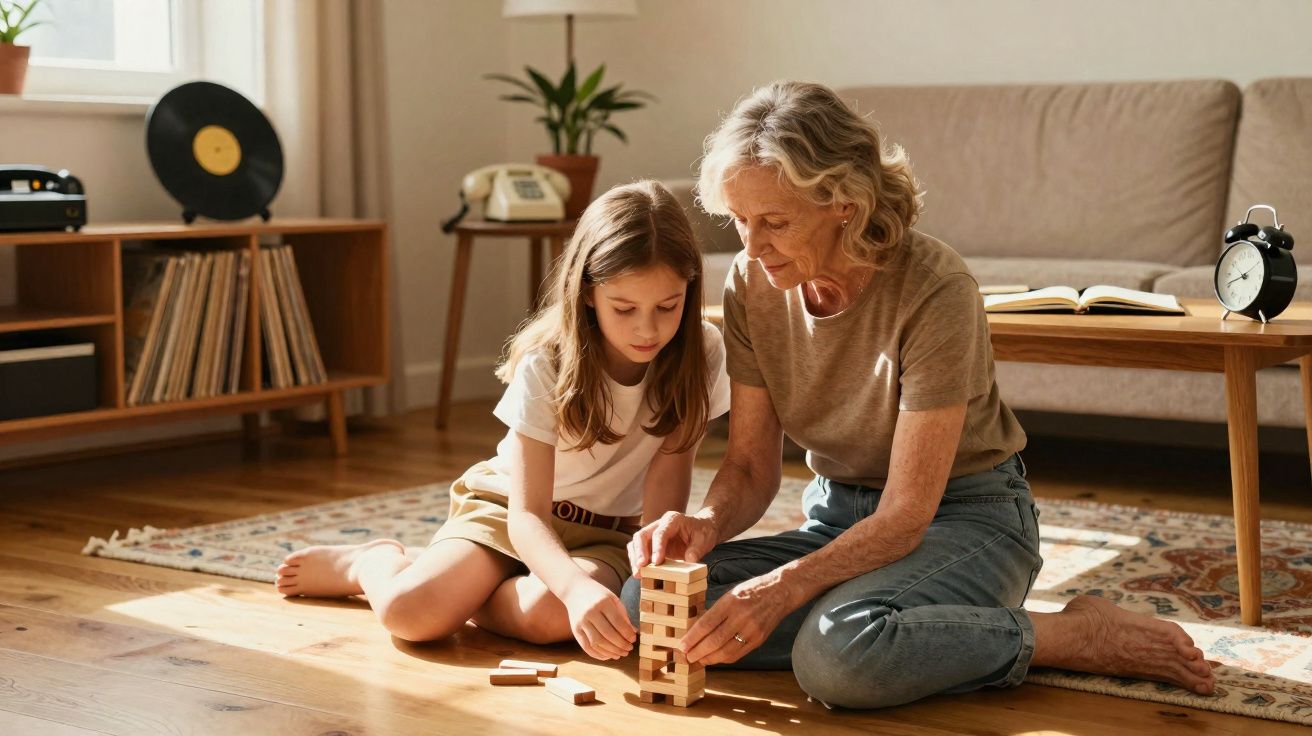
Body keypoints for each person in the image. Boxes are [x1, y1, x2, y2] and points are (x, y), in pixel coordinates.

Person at [623, 81, 1216, 707]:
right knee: (650, 605)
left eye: (775, 222)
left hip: (964, 517)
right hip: (838, 521)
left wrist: (781, 590)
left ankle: (1070, 635)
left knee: (837, 662)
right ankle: (890, 624)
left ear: (844, 204)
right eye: (740, 220)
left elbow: (906, 515)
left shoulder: (935, 288)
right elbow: (746, 465)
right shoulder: (752, 282)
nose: (751, 245)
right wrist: (705, 524)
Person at [277, 180, 730, 660]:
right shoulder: (548, 363)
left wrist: (645, 572)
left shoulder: (702, 352)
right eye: (625, 308)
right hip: (511, 514)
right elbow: (528, 515)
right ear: (588, 294)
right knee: (410, 615)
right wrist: (575, 589)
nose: (648, 328)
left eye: (668, 306)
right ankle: (373, 561)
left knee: (550, 617)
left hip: (610, 534)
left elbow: (667, 485)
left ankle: (464, 588)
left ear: (690, 289)